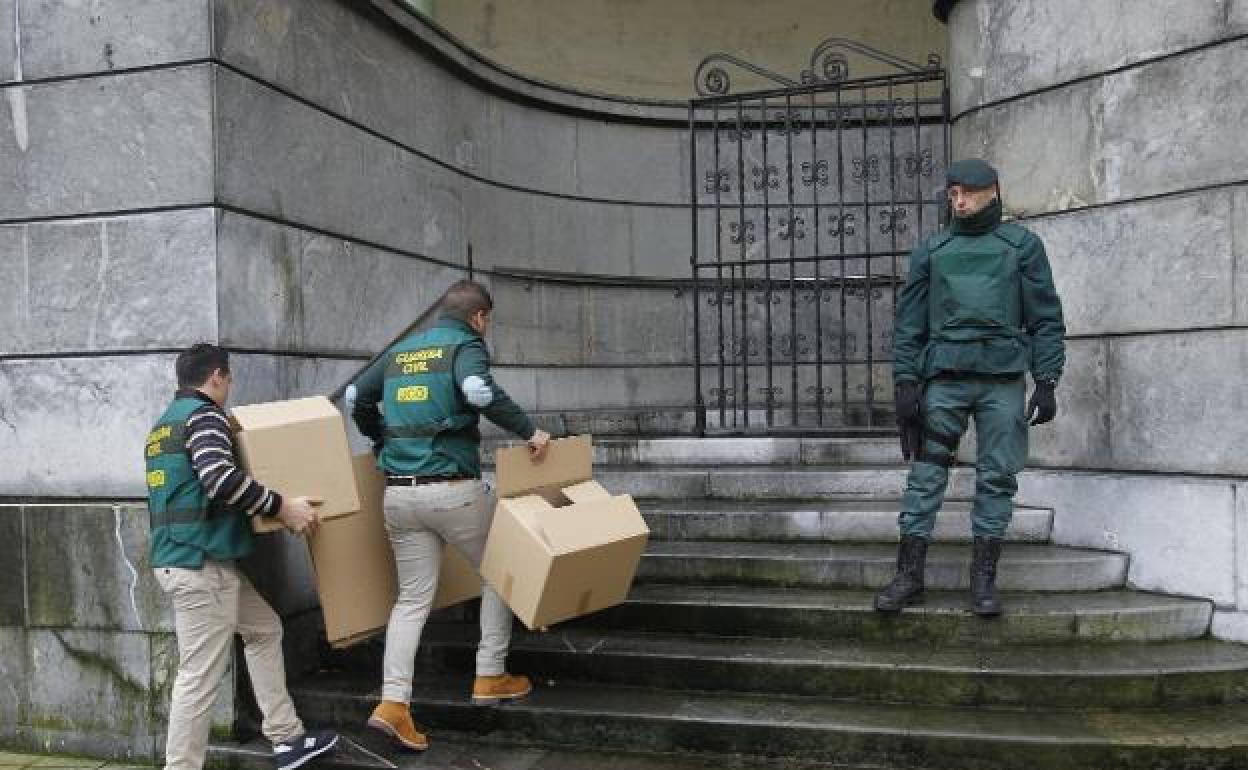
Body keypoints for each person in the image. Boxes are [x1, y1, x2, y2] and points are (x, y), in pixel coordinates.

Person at [351, 279, 551, 752]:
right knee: (502, 570)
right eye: (488, 322)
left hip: (399, 496)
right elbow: (479, 392)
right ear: (479, 317)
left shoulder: (403, 349)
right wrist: (530, 431)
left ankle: (393, 706)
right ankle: (490, 674)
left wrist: (382, 439)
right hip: (453, 491)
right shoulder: (466, 344)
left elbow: (354, 396)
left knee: (412, 600)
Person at [875, 159, 1066, 617]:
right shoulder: (932, 250)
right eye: (953, 193)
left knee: (998, 477)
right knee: (925, 476)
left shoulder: (1022, 246)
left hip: (1001, 380)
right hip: (945, 379)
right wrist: (905, 380)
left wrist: (1047, 379)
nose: (958, 201)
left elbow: (1045, 317)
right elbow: (909, 325)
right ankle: (909, 576)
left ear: (993, 191)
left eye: (967, 192)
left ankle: (983, 581)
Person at [144, 344, 338, 770]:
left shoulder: (163, 426)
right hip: (201, 566)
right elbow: (218, 478)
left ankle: (286, 738)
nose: (229, 387)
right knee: (198, 679)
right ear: (216, 376)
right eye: (228, 379)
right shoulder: (205, 417)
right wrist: (282, 506)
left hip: (191, 559)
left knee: (265, 629)